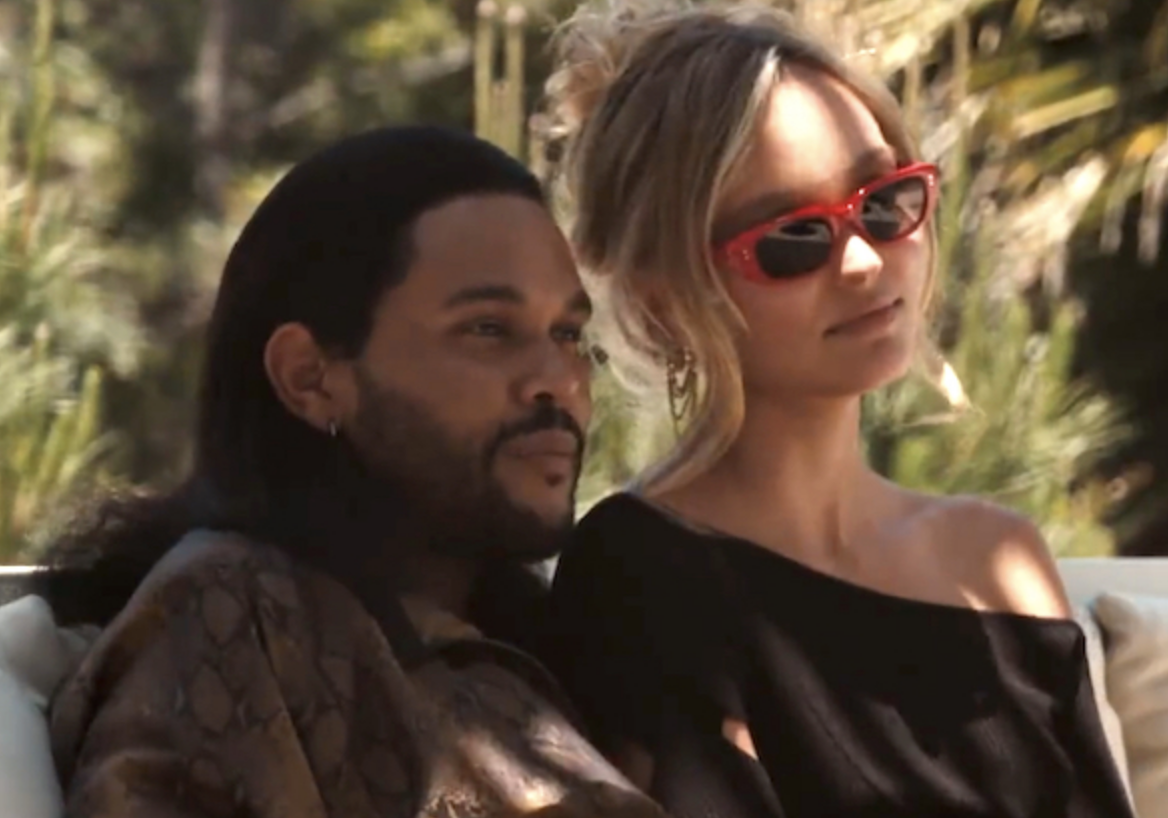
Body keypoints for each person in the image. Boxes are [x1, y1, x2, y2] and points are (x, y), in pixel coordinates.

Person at [536, 3, 1135, 817]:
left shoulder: (1001, 559)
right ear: (665, 297)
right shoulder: (638, 575)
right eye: (792, 239)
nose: (863, 260)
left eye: (885, 201)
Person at [32, 126, 666, 818]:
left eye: (568, 335)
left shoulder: (541, 643)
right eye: (488, 328)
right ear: (310, 378)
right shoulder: (238, 611)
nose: (558, 380)